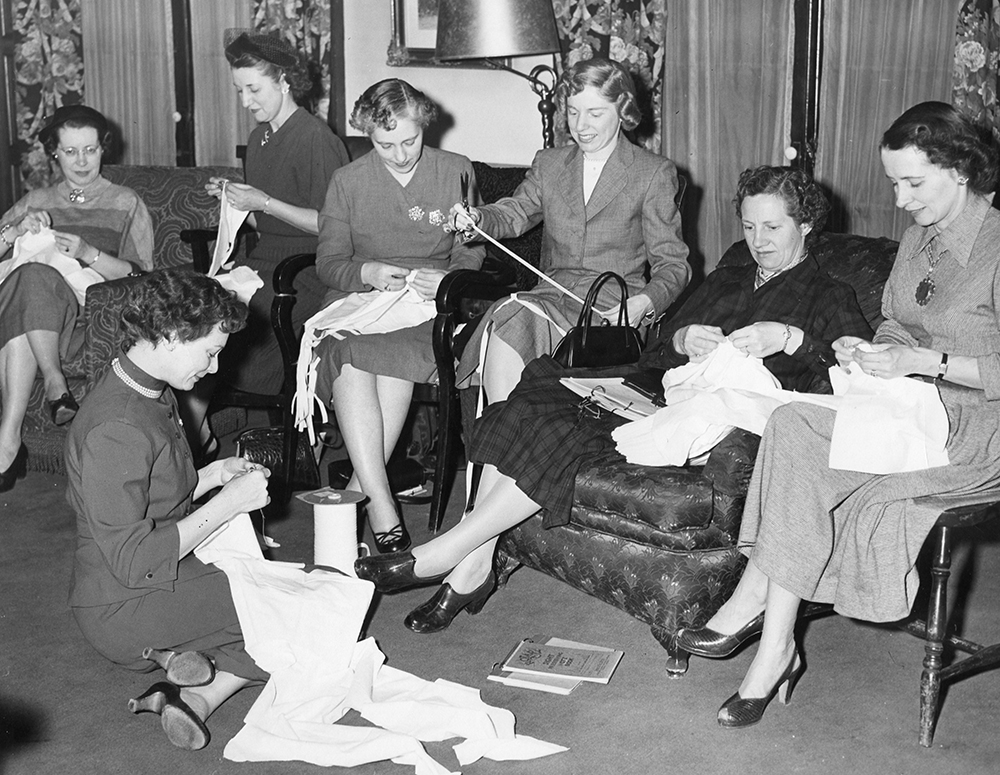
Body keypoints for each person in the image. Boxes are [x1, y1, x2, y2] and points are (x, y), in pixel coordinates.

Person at [355, 165, 874, 635]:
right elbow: (654, 344)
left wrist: (791, 340)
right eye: (749, 227)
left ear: (805, 225)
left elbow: (848, 386)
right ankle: (475, 560)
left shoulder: (829, 295)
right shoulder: (729, 277)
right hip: (657, 386)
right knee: (540, 389)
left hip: (706, 416)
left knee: (573, 427)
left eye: (772, 228)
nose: (757, 241)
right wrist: (681, 336)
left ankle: (448, 554)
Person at [672, 102, 1000, 729]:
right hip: (907, 411)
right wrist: (870, 347)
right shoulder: (918, 241)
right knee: (792, 424)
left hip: (975, 432)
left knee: (807, 444)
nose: (900, 199)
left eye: (913, 183)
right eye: (894, 183)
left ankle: (763, 628)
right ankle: (775, 639)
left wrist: (925, 361)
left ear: (960, 170)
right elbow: (896, 322)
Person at [66, 269, 270, 750]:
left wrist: (211, 476)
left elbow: (150, 494)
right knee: (297, 615)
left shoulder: (146, 385)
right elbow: (135, 559)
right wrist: (225, 505)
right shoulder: (114, 427)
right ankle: (198, 682)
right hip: (125, 604)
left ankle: (185, 685)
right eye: (212, 352)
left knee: (287, 597)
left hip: (148, 579)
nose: (216, 368)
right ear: (173, 336)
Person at [450, 56, 690, 406]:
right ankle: (501, 452)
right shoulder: (549, 164)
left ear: (622, 111)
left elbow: (674, 265)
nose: (581, 126)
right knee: (507, 316)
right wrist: (478, 218)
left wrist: (644, 303)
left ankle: (498, 455)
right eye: (573, 112)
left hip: (611, 311)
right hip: (550, 296)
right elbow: (514, 212)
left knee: (511, 318)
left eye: (595, 113)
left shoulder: (652, 173)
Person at [312, 79, 485, 553]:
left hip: (430, 304)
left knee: (379, 355)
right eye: (384, 145)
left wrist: (448, 279)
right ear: (367, 135)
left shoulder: (456, 170)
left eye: (409, 141)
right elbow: (328, 262)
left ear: (425, 125)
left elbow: (471, 251)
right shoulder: (348, 181)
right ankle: (380, 504)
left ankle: (357, 501)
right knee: (349, 349)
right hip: (363, 302)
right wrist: (365, 270)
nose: (400, 154)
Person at [192, 30, 349, 457]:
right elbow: (267, 219)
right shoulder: (259, 142)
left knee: (223, 318)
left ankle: (198, 428)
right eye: (239, 90)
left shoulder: (317, 138)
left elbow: (331, 225)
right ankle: (195, 428)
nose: (245, 101)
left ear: (284, 81)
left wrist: (261, 200)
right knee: (195, 308)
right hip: (264, 261)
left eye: (253, 89)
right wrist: (235, 198)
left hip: (308, 269)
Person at [0, 105, 153, 492]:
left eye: (90, 149)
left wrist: (89, 253)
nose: (81, 161)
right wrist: (14, 230)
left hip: (89, 323)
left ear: (104, 148)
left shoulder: (125, 202)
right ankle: (52, 390)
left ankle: (10, 435)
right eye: (70, 152)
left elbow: (143, 277)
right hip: (34, 317)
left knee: (29, 284)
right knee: (30, 278)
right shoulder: (35, 201)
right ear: (55, 153)